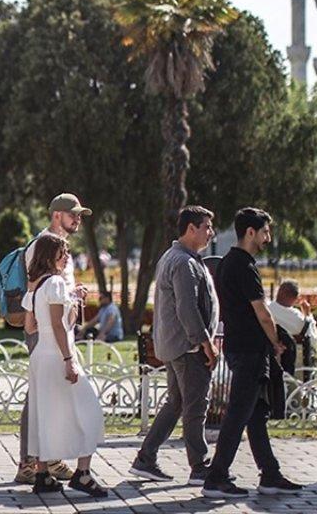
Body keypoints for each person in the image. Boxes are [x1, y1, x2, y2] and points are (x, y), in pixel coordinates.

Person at [201, 208, 302, 498]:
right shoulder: (244, 265)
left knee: (255, 413)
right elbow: (262, 312)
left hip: (238, 345)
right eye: (265, 232)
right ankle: (216, 477)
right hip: (249, 349)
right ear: (250, 232)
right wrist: (276, 343)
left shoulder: (228, 263)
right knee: (237, 414)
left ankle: (270, 474)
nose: (267, 238)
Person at [128, 205, 219, 485]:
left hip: (177, 346)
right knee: (195, 406)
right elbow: (187, 308)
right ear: (191, 229)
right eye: (206, 227)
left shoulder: (179, 257)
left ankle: (146, 458)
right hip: (188, 348)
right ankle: (199, 466)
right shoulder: (183, 262)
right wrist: (205, 342)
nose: (210, 233)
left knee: (177, 403)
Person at [22, 233, 108, 497]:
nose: (67, 257)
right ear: (52, 256)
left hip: (41, 355)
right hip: (59, 355)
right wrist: (69, 360)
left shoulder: (35, 286)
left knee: (43, 413)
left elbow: (30, 326)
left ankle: (42, 474)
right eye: (63, 253)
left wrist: (73, 300)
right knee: (89, 409)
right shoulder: (57, 283)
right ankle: (82, 473)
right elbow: (61, 325)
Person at [16, 193, 91, 485]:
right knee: (39, 393)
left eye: (80, 215)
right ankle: (29, 461)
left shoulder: (62, 247)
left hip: (61, 326)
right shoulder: (41, 245)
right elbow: (37, 287)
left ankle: (49, 457)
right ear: (57, 215)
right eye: (74, 214)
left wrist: (73, 296)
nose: (78, 219)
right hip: (45, 331)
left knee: (52, 393)